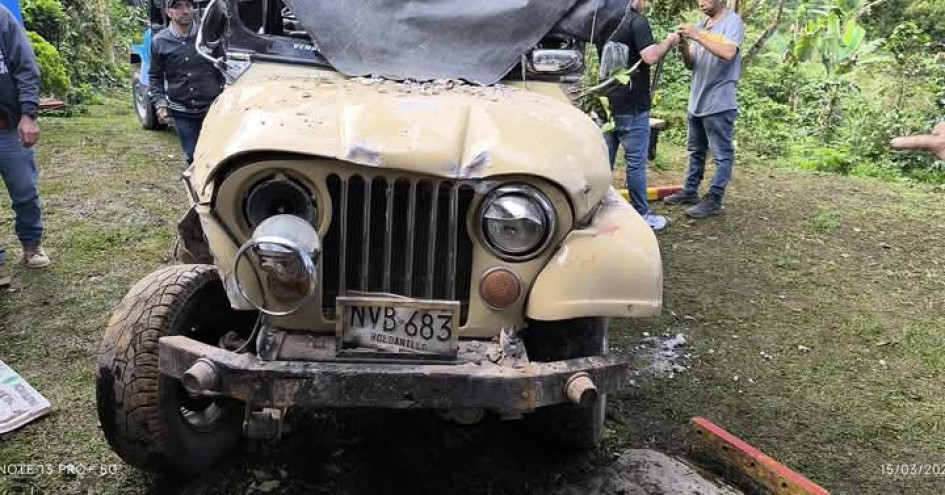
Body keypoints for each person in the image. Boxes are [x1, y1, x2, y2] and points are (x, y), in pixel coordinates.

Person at [600, 0, 679, 231]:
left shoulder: (605, 22)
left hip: (605, 103)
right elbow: (650, 56)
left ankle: (597, 209)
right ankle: (642, 214)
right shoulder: (637, 21)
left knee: (605, 162)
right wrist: (669, 41)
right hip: (632, 105)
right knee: (635, 164)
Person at [663, 0, 745, 219]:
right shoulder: (703, 24)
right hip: (697, 100)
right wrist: (684, 47)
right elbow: (692, 64)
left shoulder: (732, 22)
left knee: (722, 154)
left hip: (719, 102)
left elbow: (728, 53)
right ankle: (690, 191)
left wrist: (696, 35)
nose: (701, 2)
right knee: (696, 151)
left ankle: (714, 199)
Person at [0, 3, 50, 287]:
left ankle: (31, 245)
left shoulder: (1, 17)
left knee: (25, 192)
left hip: (6, 127)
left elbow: (25, 66)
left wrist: (28, 115)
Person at [149, 0, 224, 165]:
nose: (185, 11)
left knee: (215, 157)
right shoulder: (159, 41)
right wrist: (160, 104)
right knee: (192, 157)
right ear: (169, 12)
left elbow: (223, 66)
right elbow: (155, 76)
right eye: (178, 6)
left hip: (211, 109)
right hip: (181, 111)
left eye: (188, 6)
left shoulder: (208, 36)